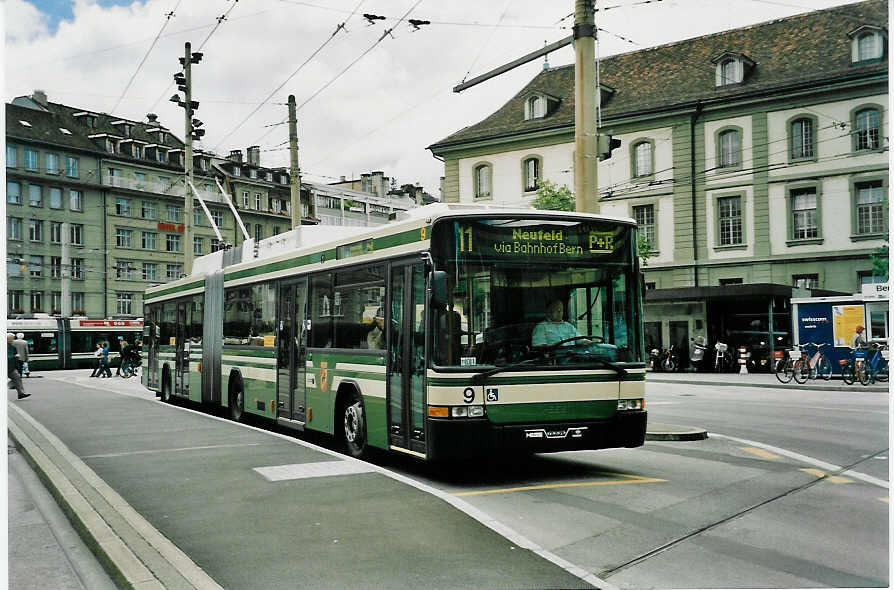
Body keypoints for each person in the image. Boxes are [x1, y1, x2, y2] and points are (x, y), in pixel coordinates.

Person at [7, 333, 29, 399]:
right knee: (16, 377)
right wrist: (15, 356)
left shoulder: (12, 346)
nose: (13, 340)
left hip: (11, 366)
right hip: (7, 366)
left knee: (17, 377)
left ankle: (21, 393)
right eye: (12, 339)